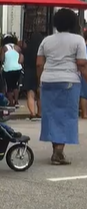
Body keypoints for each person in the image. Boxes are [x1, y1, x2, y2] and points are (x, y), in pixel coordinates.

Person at [36, 9, 87, 165]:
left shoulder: (46, 40)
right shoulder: (78, 40)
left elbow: (39, 64)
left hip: (48, 80)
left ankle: (56, 149)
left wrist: (40, 81)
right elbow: (81, 64)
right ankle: (58, 151)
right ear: (73, 23)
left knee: (51, 115)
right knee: (66, 116)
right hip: (69, 81)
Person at [22, 32, 44, 120]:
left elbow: (21, 60)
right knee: (40, 94)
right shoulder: (42, 50)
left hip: (28, 72)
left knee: (30, 93)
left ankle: (32, 113)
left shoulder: (26, 49)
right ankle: (40, 113)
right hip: (40, 71)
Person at [0, 34, 23, 106]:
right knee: (15, 85)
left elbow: (2, 59)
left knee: (9, 86)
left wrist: (1, 64)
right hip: (18, 69)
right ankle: (16, 101)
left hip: (8, 69)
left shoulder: (4, 48)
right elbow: (21, 58)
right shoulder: (18, 48)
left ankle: (11, 102)